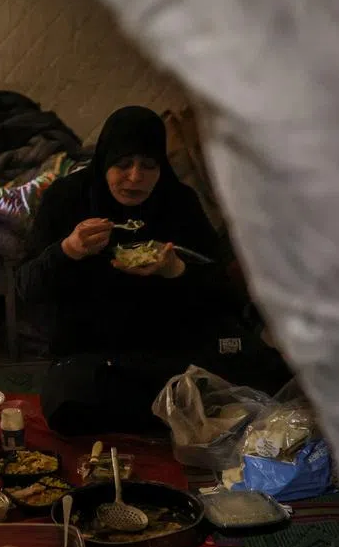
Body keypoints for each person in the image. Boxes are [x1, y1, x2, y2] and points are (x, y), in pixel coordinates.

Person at [19, 106, 290, 435]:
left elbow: (223, 293)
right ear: (104, 161)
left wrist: (177, 271)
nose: (135, 177)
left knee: (264, 375)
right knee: (70, 399)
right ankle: (172, 417)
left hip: (172, 349)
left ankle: (172, 414)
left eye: (149, 166)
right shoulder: (67, 199)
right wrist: (68, 250)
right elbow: (26, 285)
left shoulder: (178, 201)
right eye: (123, 164)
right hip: (95, 353)